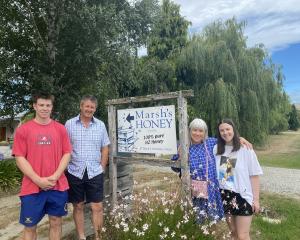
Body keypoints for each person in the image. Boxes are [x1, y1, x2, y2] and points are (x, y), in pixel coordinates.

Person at [12, 93, 72, 240]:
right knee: (30, 227)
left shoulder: (60, 129)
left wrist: (56, 175)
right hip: (32, 187)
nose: (45, 108)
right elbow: (19, 158)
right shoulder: (24, 130)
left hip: (57, 186)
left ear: (52, 107)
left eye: (48, 105)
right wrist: (37, 179)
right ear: (34, 106)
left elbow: (67, 153)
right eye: (41, 105)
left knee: (56, 222)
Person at [171, 118, 252, 224]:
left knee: (212, 221)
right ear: (189, 131)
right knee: (196, 219)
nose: (197, 133)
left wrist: (239, 138)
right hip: (194, 190)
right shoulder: (184, 146)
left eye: (201, 131)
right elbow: (174, 167)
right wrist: (180, 158)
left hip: (212, 189)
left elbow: (227, 140)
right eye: (194, 130)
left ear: (205, 132)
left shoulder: (211, 142)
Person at [65, 95, 110, 240]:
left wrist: (102, 167)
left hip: (95, 172)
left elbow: (105, 147)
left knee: (97, 207)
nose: (89, 109)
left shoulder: (101, 125)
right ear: (81, 106)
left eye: (92, 107)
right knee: (78, 206)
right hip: (75, 171)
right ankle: (81, 236)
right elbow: (64, 147)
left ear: (95, 109)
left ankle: (98, 237)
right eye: (87, 106)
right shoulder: (69, 124)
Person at [214, 119, 263, 240]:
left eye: (228, 129)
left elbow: (254, 175)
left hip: (243, 196)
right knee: (233, 233)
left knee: (243, 235)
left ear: (233, 130)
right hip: (225, 195)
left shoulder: (245, 149)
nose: (225, 132)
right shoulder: (216, 148)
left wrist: (256, 200)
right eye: (222, 130)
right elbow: (198, 138)